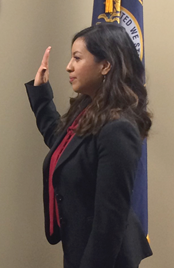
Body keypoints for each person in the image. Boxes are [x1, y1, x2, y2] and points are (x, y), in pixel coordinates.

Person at [25, 23, 153, 268]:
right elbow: (61, 147)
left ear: (105, 65)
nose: (68, 66)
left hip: (105, 258)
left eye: (77, 58)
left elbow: (109, 221)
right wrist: (41, 94)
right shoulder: (88, 109)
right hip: (79, 248)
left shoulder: (118, 128)